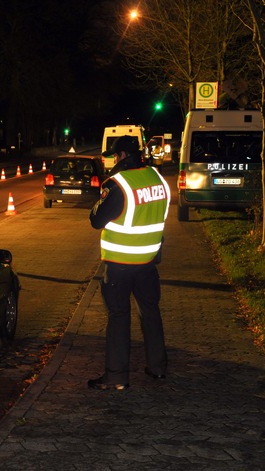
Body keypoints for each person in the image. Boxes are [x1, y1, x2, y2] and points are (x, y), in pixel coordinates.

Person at [88, 135, 171, 391]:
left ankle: (116, 376)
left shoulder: (118, 184)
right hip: (148, 263)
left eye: (115, 155)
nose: (114, 159)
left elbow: (96, 220)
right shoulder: (158, 179)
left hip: (120, 264)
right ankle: (157, 368)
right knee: (151, 313)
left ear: (122, 155)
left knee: (119, 317)